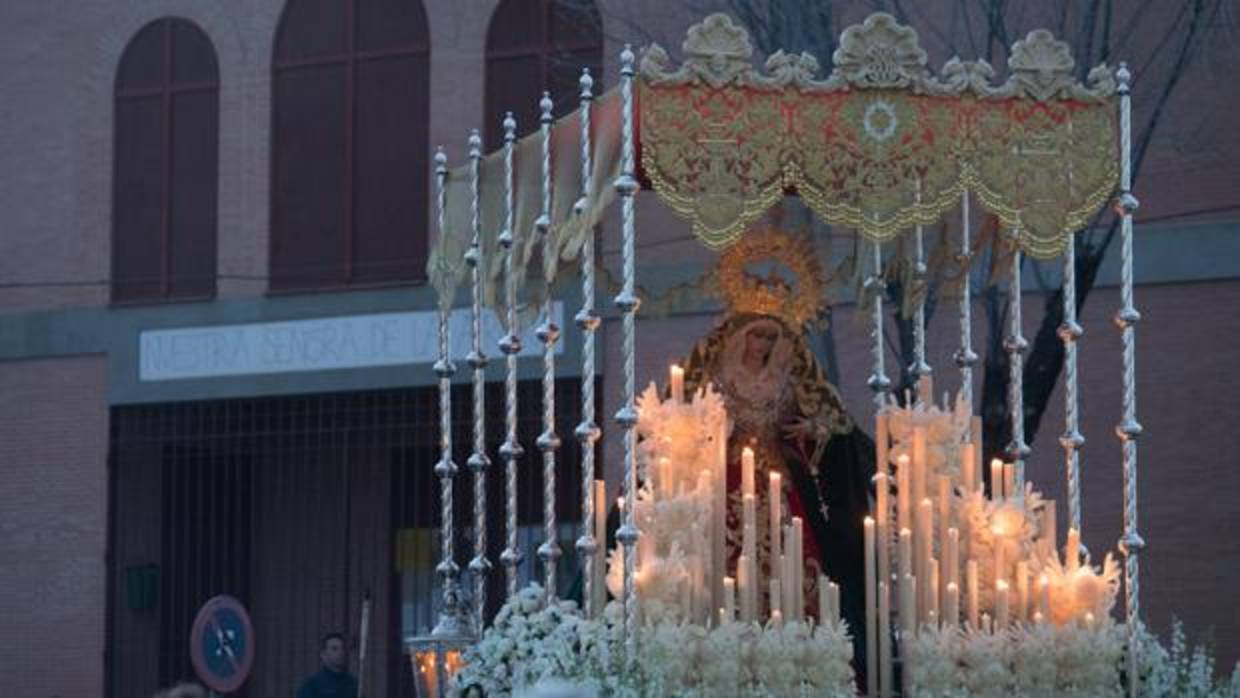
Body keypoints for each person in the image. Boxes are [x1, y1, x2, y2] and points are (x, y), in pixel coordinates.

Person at [296, 632, 358, 698]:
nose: (340, 652)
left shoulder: (353, 684)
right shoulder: (311, 685)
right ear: (323, 654)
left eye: (343, 648)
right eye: (334, 649)